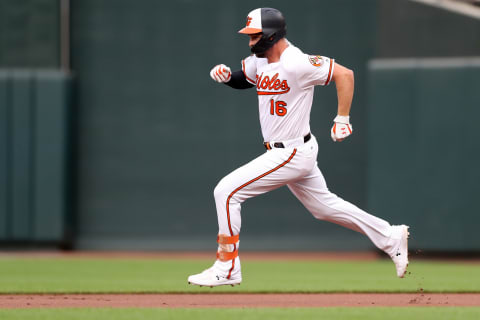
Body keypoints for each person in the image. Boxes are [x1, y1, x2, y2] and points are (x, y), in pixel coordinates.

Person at [188, 8, 409, 287]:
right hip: (287, 150)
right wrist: (227, 77)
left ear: (270, 36)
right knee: (324, 207)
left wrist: (342, 118)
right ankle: (390, 236)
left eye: (254, 36)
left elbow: (345, 75)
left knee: (227, 191)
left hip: (291, 151)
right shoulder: (262, 61)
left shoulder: (296, 62)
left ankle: (227, 266)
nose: (249, 42)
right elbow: (245, 78)